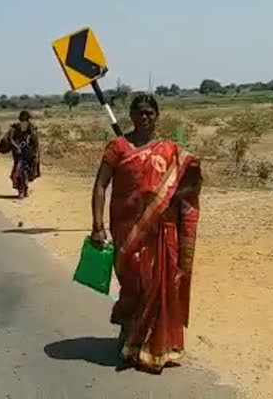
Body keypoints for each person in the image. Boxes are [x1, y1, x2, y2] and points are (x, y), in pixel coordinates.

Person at [91, 94, 203, 373]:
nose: (144, 117)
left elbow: (184, 186)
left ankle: (151, 346)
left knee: (159, 285)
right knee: (134, 285)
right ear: (131, 115)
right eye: (139, 112)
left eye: (149, 112)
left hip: (162, 231)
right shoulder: (117, 147)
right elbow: (101, 185)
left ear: (157, 115)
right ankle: (130, 335)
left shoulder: (170, 150)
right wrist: (97, 225)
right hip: (126, 230)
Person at [3, 110, 40, 199]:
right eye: (22, 119)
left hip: (29, 154)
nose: (23, 121)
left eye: (25, 119)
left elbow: (36, 142)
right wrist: (17, 147)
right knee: (17, 172)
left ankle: (25, 189)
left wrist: (35, 154)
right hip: (18, 155)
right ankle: (21, 190)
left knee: (28, 172)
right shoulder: (14, 129)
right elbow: (10, 139)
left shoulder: (31, 128)